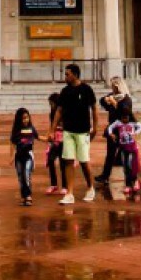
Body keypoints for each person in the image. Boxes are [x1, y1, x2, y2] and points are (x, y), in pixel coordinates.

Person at [54, 63, 98, 204]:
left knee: (84, 161)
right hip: (68, 130)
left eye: (67, 74)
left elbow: (94, 109)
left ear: (74, 74)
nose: (65, 77)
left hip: (83, 131)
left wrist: (95, 127)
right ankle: (70, 193)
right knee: (68, 161)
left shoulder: (86, 89)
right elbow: (59, 110)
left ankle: (90, 188)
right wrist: (52, 129)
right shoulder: (65, 91)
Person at [98, 77, 135, 187]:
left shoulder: (126, 99)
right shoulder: (112, 96)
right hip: (113, 129)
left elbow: (126, 112)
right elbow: (102, 102)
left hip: (123, 130)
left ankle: (131, 179)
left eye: (113, 86)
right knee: (110, 154)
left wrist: (115, 104)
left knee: (126, 155)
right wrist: (105, 100)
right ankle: (105, 176)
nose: (112, 88)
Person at [9, 108, 40, 207]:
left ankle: (28, 196)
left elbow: (38, 137)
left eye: (27, 117)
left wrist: (49, 138)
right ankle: (23, 196)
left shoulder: (31, 128)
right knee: (20, 176)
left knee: (26, 174)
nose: (25, 120)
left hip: (28, 155)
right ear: (19, 120)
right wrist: (11, 157)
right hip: (19, 156)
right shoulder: (16, 130)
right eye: (23, 118)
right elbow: (12, 144)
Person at [107, 117, 141, 196]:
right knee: (126, 166)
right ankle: (127, 184)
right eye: (123, 118)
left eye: (126, 118)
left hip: (133, 148)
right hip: (124, 148)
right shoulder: (118, 122)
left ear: (129, 117)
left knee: (133, 165)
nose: (125, 120)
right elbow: (110, 127)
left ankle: (135, 181)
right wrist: (111, 134)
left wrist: (136, 133)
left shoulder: (132, 123)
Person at [44, 93, 64, 194]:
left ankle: (65, 186)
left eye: (51, 103)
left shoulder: (64, 112)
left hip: (63, 139)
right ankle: (54, 184)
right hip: (55, 140)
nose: (51, 106)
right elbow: (51, 126)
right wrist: (49, 137)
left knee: (63, 162)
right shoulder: (51, 113)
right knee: (50, 160)